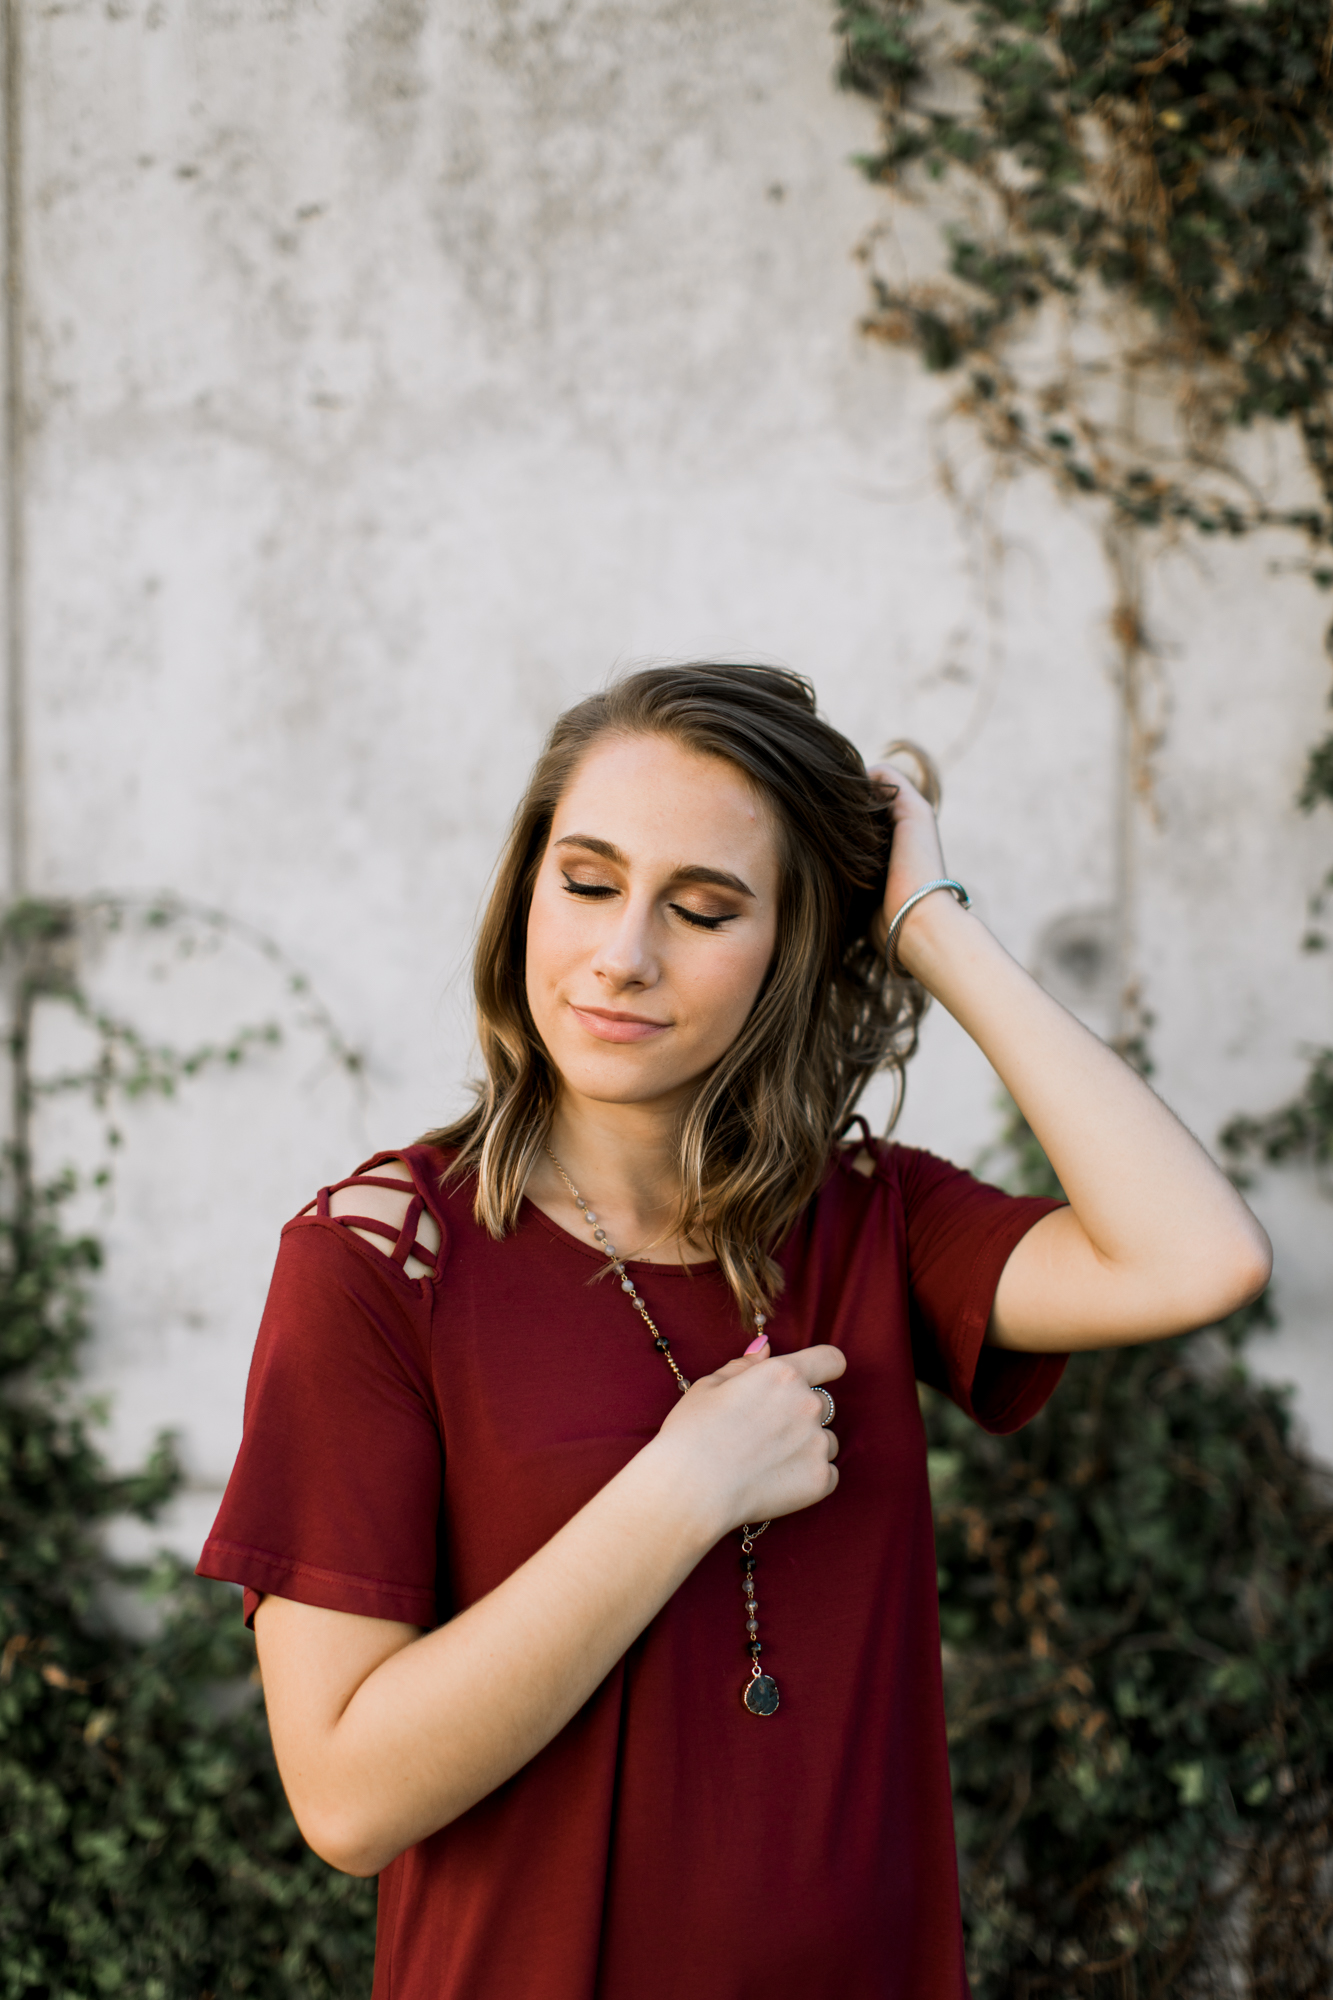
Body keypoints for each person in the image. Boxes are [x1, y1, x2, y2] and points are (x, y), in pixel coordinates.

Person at [197, 663, 1270, 2000]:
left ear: (795, 948)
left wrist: (931, 928)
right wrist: (679, 1489)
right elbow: (348, 1799)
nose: (622, 954)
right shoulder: (379, 1258)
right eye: (585, 884)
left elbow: (1198, 1255)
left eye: (702, 909)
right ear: (524, 892)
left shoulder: (870, 1222)